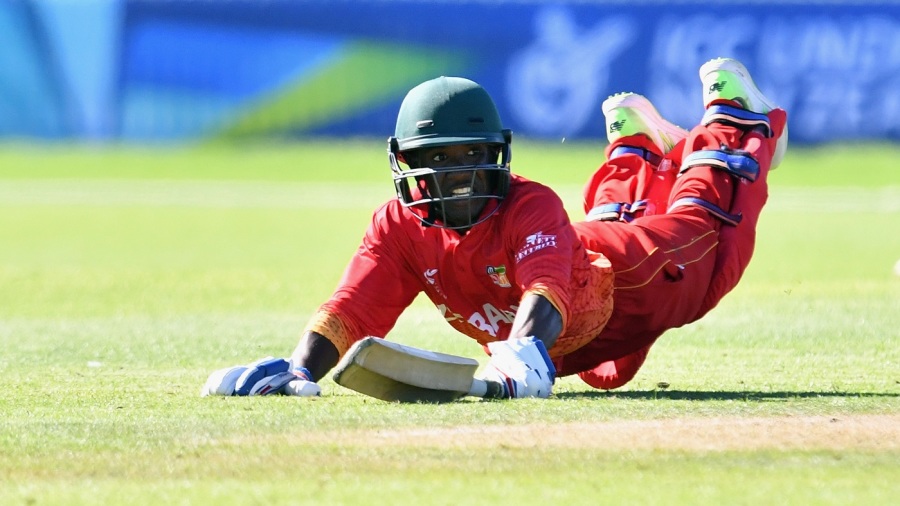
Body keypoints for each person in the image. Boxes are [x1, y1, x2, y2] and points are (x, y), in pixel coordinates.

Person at [201, 57, 788, 399]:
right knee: (610, 374)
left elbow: (545, 294)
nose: (459, 175)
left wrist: (524, 350)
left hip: (635, 278)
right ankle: (634, 148)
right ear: (408, 163)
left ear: (496, 153)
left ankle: (732, 117)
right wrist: (300, 369)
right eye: (441, 158)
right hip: (574, 321)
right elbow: (352, 309)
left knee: (705, 225)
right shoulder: (397, 227)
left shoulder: (529, 205)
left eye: (470, 155)